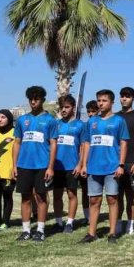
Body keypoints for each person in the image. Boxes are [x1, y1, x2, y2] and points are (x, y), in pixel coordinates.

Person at [80, 89, 129, 243]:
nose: (101, 103)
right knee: (94, 201)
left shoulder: (119, 121)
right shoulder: (92, 121)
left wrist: (121, 165)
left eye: (104, 100)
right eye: (99, 100)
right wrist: (83, 164)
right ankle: (91, 233)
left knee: (112, 200)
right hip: (94, 168)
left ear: (112, 102)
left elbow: (124, 142)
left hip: (112, 168)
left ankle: (112, 233)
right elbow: (87, 143)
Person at [12, 85, 58, 243]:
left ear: (43, 100)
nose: (33, 101)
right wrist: (14, 165)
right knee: (25, 198)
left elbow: (53, 144)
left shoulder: (50, 120)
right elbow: (17, 143)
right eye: (31, 99)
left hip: (42, 166)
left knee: (41, 197)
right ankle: (25, 230)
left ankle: (40, 230)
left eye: (36, 99)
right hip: (24, 165)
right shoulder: (22, 120)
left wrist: (51, 167)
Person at [53, 95, 86, 234]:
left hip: (72, 166)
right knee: (57, 195)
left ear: (73, 107)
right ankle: (58, 222)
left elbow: (84, 146)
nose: (64, 110)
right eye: (61, 107)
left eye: (67, 107)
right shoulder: (56, 124)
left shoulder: (80, 125)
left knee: (71, 194)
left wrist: (80, 164)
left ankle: (70, 223)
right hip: (56, 166)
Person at [116, 87, 134, 236]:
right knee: (117, 196)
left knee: (131, 197)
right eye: (122, 96)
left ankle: (131, 224)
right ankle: (119, 224)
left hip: (132, 162)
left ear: (133, 98)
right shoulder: (115, 117)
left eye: (128, 96)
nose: (124, 98)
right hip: (118, 163)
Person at [80, 100, 98, 222]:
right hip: (87, 163)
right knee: (85, 191)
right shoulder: (86, 125)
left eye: (93, 111)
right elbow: (83, 145)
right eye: (88, 111)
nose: (91, 114)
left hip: (100, 163)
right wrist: (82, 163)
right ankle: (87, 216)